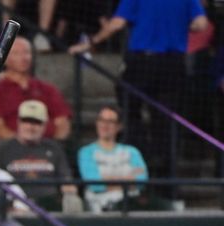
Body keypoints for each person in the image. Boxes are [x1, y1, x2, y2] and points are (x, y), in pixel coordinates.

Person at [68, 0, 208, 176]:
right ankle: (163, 176)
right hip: (173, 64)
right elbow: (200, 23)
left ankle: (141, 152)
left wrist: (92, 42)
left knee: (129, 107)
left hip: (142, 62)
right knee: (165, 119)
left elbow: (117, 23)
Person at [0, 37, 71, 140]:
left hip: (48, 147)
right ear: (4, 59)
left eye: (27, 53)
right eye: (16, 53)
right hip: (12, 148)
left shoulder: (48, 89)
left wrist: (53, 145)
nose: (24, 58)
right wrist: (21, 146)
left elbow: (62, 123)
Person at [0, 100, 73, 201]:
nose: (30, 127)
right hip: (14, 203)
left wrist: (69, 193)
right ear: (18, 122)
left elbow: (66, 180)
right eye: (26, 121)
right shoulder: (4, 149)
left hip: (49, 203)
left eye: (36, 122)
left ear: (44, 125)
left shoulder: (54, 148)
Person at [77, 105, 148, 213]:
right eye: (101, 120)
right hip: (101, 207)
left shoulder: (132, 151)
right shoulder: (86, 152)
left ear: (119, 126)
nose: (105, 125)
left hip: (132, 205)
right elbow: (94, 184)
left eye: (110, 121)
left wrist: (106, 180)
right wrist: (127, 180)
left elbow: (141, 180)